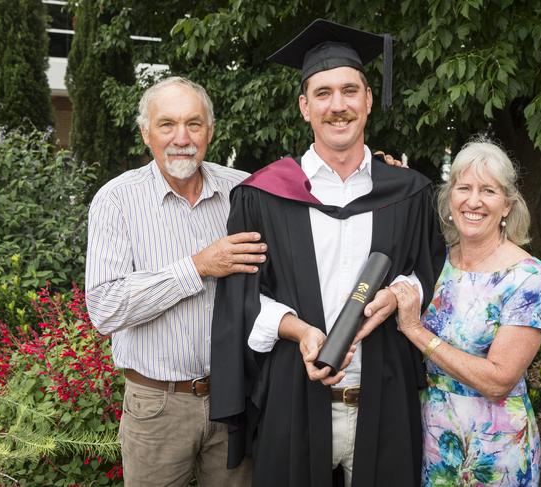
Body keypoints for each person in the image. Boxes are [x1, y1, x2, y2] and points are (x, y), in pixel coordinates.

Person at [210, 19, 446, 487]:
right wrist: (298, 331)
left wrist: (400, 293)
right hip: (295, 398)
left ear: (368, 100)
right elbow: (242, 296)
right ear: (304, 107)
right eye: (323, 93)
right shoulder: (263, 194)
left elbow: (429, 271)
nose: (338, 106)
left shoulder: (410, 191)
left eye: (350, 91)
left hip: (386, 395)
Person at [85, 76, 264, 486]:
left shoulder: (244, 190)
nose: (181, 137)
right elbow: (105, 306)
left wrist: (377, 170)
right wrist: (197, 267)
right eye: (167, 124)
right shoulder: (117, 200)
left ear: (210, 131)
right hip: (157, 406)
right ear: (146, 133)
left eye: (194, 124)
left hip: (234, 399)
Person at [390, 139, 541, 486]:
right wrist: (391, 175)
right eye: (463, 187)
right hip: (430, 437)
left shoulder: (526, 276)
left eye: (488, 191)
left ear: (507, 205)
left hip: (495, 449)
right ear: (450, 199)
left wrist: (416, 330)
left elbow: (498, 381)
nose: (474, 201)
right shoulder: (438, 262)